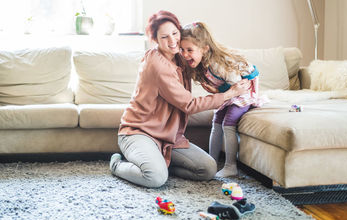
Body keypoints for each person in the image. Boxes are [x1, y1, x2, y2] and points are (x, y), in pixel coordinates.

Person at [109, 11, 251, 188]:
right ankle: (117, 165)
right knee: (155, 178)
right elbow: (189, 105)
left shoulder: (180, 56)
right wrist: (229, 94)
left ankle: (160, 164)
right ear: (155, 40)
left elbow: (205, 55)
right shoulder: (158, 65)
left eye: (175, 33)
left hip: (169, 137)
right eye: (164, 37)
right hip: (140, 132)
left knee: (207, 169)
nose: (172, 41)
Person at [180, 22, 265, 177]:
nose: (185, 54)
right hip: (231, 91)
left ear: (205, 49)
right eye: (182, 50)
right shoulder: (201, 65)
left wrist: (219, 91)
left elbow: (236, 85)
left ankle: (230, 166)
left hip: (243, 88)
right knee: (217, 120)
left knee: (228, 122)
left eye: (189, 50)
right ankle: (211, 162)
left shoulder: (218, 64)